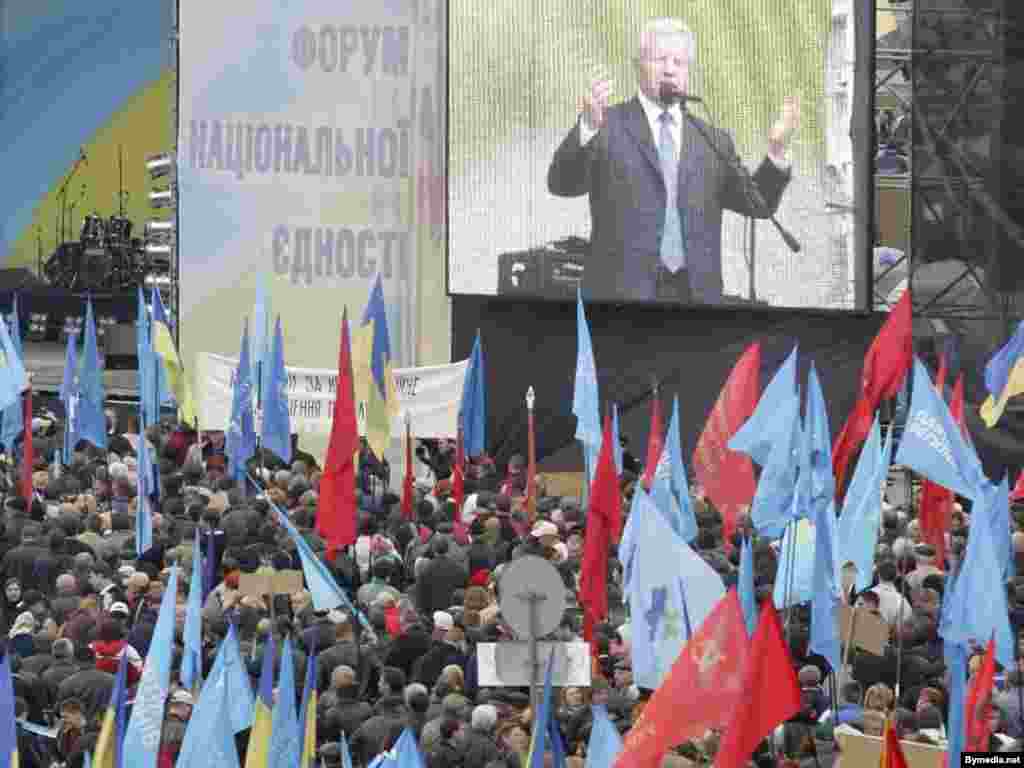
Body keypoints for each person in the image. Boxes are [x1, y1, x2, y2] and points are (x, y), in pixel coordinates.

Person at [547, 17, 799, 305]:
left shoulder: (712, 139)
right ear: (637, 65)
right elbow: (561, 183)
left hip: (696, 301)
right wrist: (588, 128)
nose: (669, 70)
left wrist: (776, 153)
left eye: (679, 62)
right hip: (620, 302)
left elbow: (759, 204)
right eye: (660, 59)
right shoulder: (607, 126)